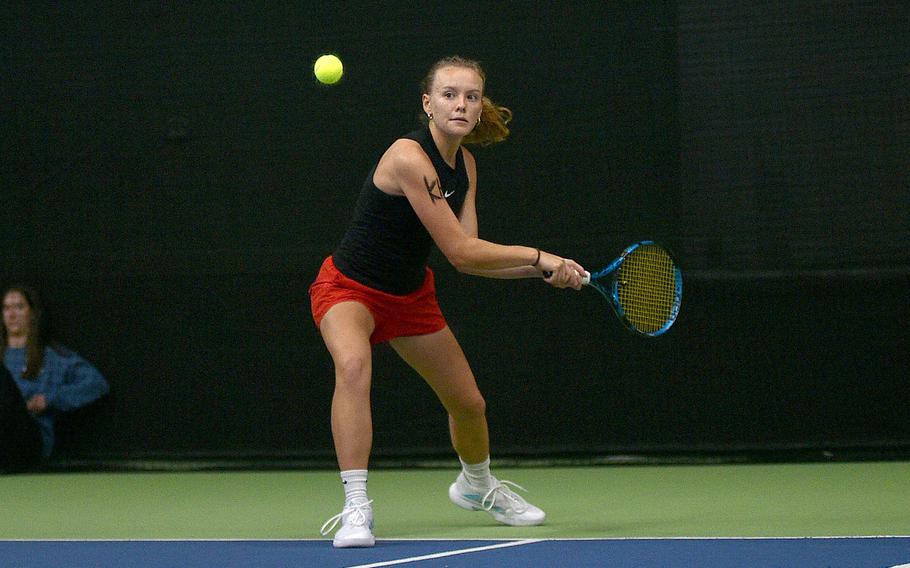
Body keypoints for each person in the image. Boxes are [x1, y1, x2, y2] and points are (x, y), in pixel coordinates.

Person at [309, 56, 587, 548]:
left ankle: (477, 486)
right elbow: (460, 249)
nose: (461, 104)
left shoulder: (467, 165)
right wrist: (542, 255)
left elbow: (469, 259)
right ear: (428, 104)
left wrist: (541, 273)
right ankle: (356, 506)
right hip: (348, 289)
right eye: (449, 94)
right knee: (353, 367)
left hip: (411, 295)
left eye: (472, 96)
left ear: (481, 108)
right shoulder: (407, 157)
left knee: (469, 403)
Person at [1, 284, 110, 472]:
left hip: (28, 441)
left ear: (32, 314)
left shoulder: (52, 357)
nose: (11, 315)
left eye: (19, 307)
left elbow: (96, 383)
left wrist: (50, 399)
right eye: (6, 308)